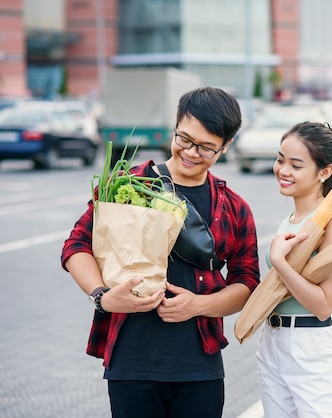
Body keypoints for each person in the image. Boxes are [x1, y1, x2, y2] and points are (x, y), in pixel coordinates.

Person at [61, 87, 260, 418]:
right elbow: (76, 244)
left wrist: (198, 305)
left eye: (206, 147)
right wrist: (103, 297)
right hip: (131, 361)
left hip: (200, 366)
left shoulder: (233, 207)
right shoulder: (125, 183)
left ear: (225, 147)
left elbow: (247, 281)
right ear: (176, 126)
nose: (191, 152)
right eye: (184, 139)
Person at [256, 121, 332, 417]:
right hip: (273, 343)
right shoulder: (292, 218)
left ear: (324, 172)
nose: (283, 171)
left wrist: (280, 264)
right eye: (280, 159)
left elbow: (324, 306)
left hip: (309, 345)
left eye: (296, 165)